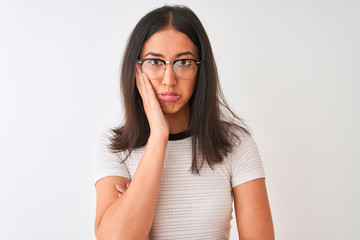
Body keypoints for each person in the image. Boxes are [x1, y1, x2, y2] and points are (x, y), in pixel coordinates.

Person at [93, 5, 274, 240]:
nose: (169, 80)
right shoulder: (115, 147)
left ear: (201, 69)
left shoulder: (235, 144)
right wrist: (158, 136)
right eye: (156, 62)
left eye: (184, 63)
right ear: (136, 69)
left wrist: (132, 200)